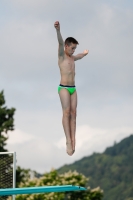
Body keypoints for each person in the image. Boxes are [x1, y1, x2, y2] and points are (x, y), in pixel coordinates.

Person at [54, 21, 89, 156]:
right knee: (67, 112)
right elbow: (60, 43)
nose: (73, 51)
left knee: (74, 114)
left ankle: (74, 139)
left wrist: (84, 53)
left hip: (73, 89)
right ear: (67, 46)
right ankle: (68, 140)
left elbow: (79, 56)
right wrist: (58, 30)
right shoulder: (62, 56)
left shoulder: (73, 58)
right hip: (63, 88)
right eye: (72, 48)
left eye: (75, 49)